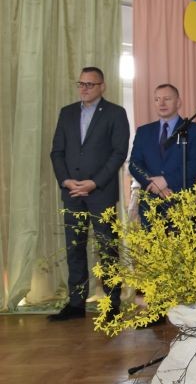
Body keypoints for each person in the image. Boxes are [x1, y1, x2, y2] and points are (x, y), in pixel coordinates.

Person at [49, 67, 130, 321]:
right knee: (74, 247)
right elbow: (57, 152)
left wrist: (94, 182)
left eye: (90, 84)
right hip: (72, 192)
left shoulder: (116, 113)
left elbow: (119, 153)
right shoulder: (67, 112)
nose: (84, 89)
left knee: (107, 248)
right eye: (81, 84)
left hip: (101, 192)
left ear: (102, 86)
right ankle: (76, 304)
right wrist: (66, 181)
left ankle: (112, 303)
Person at [129, 83, 196, 212]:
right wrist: (153, 184)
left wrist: (166, 180)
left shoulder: (194, 130)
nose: (161, 103)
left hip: (182, 202)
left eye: (167, 99)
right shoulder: (143, 131)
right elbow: (134, 164)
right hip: (150, 203)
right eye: (157, 99)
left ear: (178, 102)